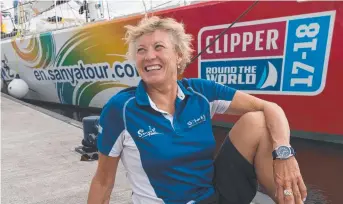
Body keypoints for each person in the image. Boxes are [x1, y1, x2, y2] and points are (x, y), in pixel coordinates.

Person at [87, 16, 307, 204]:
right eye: (141, 50)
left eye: (158, 47)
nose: (149, 56)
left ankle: (289, 199)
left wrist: (284, 154)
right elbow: (103, 180)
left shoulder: (200, 91)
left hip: (212, 196)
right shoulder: (121, 109)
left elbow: (271, 107)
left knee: (257, 120)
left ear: (179, 55)